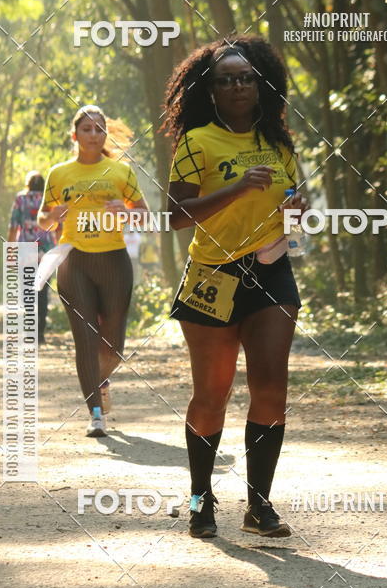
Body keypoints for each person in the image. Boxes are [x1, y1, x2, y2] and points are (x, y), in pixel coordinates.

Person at [163, 36, 308, 539]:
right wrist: (239, 187)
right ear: (211, 90)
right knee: (211, 395)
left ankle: (259, 507)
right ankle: (200, 500)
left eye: (247, 77)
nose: (238, 86)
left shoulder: (279, 142)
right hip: (212, 275)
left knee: (271, 388)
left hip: (270, 270)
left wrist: (297, 211)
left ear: (261, 84)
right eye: (226, 80)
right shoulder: (197, 141)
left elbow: (293, 202)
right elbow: (175, 216)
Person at [38, 105, 147, 437]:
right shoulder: (59, 173)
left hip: (114, 260)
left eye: (99, 129)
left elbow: (144, 215)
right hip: (74, 261)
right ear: (75, 135)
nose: (94, 134)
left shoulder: (121, 171)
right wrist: (53, 215)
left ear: (105, 135)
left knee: (113, 346)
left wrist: (125, 211)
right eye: (87, 129)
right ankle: (95, 414)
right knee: (85, 340)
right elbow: (42, 220)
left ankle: (99, 382)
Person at [8, 171, 55, 344]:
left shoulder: (21, 199)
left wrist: (11, 251)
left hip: (26, 249)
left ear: (28, 184)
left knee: (28, 290)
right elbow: (58, 226)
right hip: (46, 249)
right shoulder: (49, 200)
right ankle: (40, 332)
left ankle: (30, 331)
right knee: (42, 291)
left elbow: (13, 226)